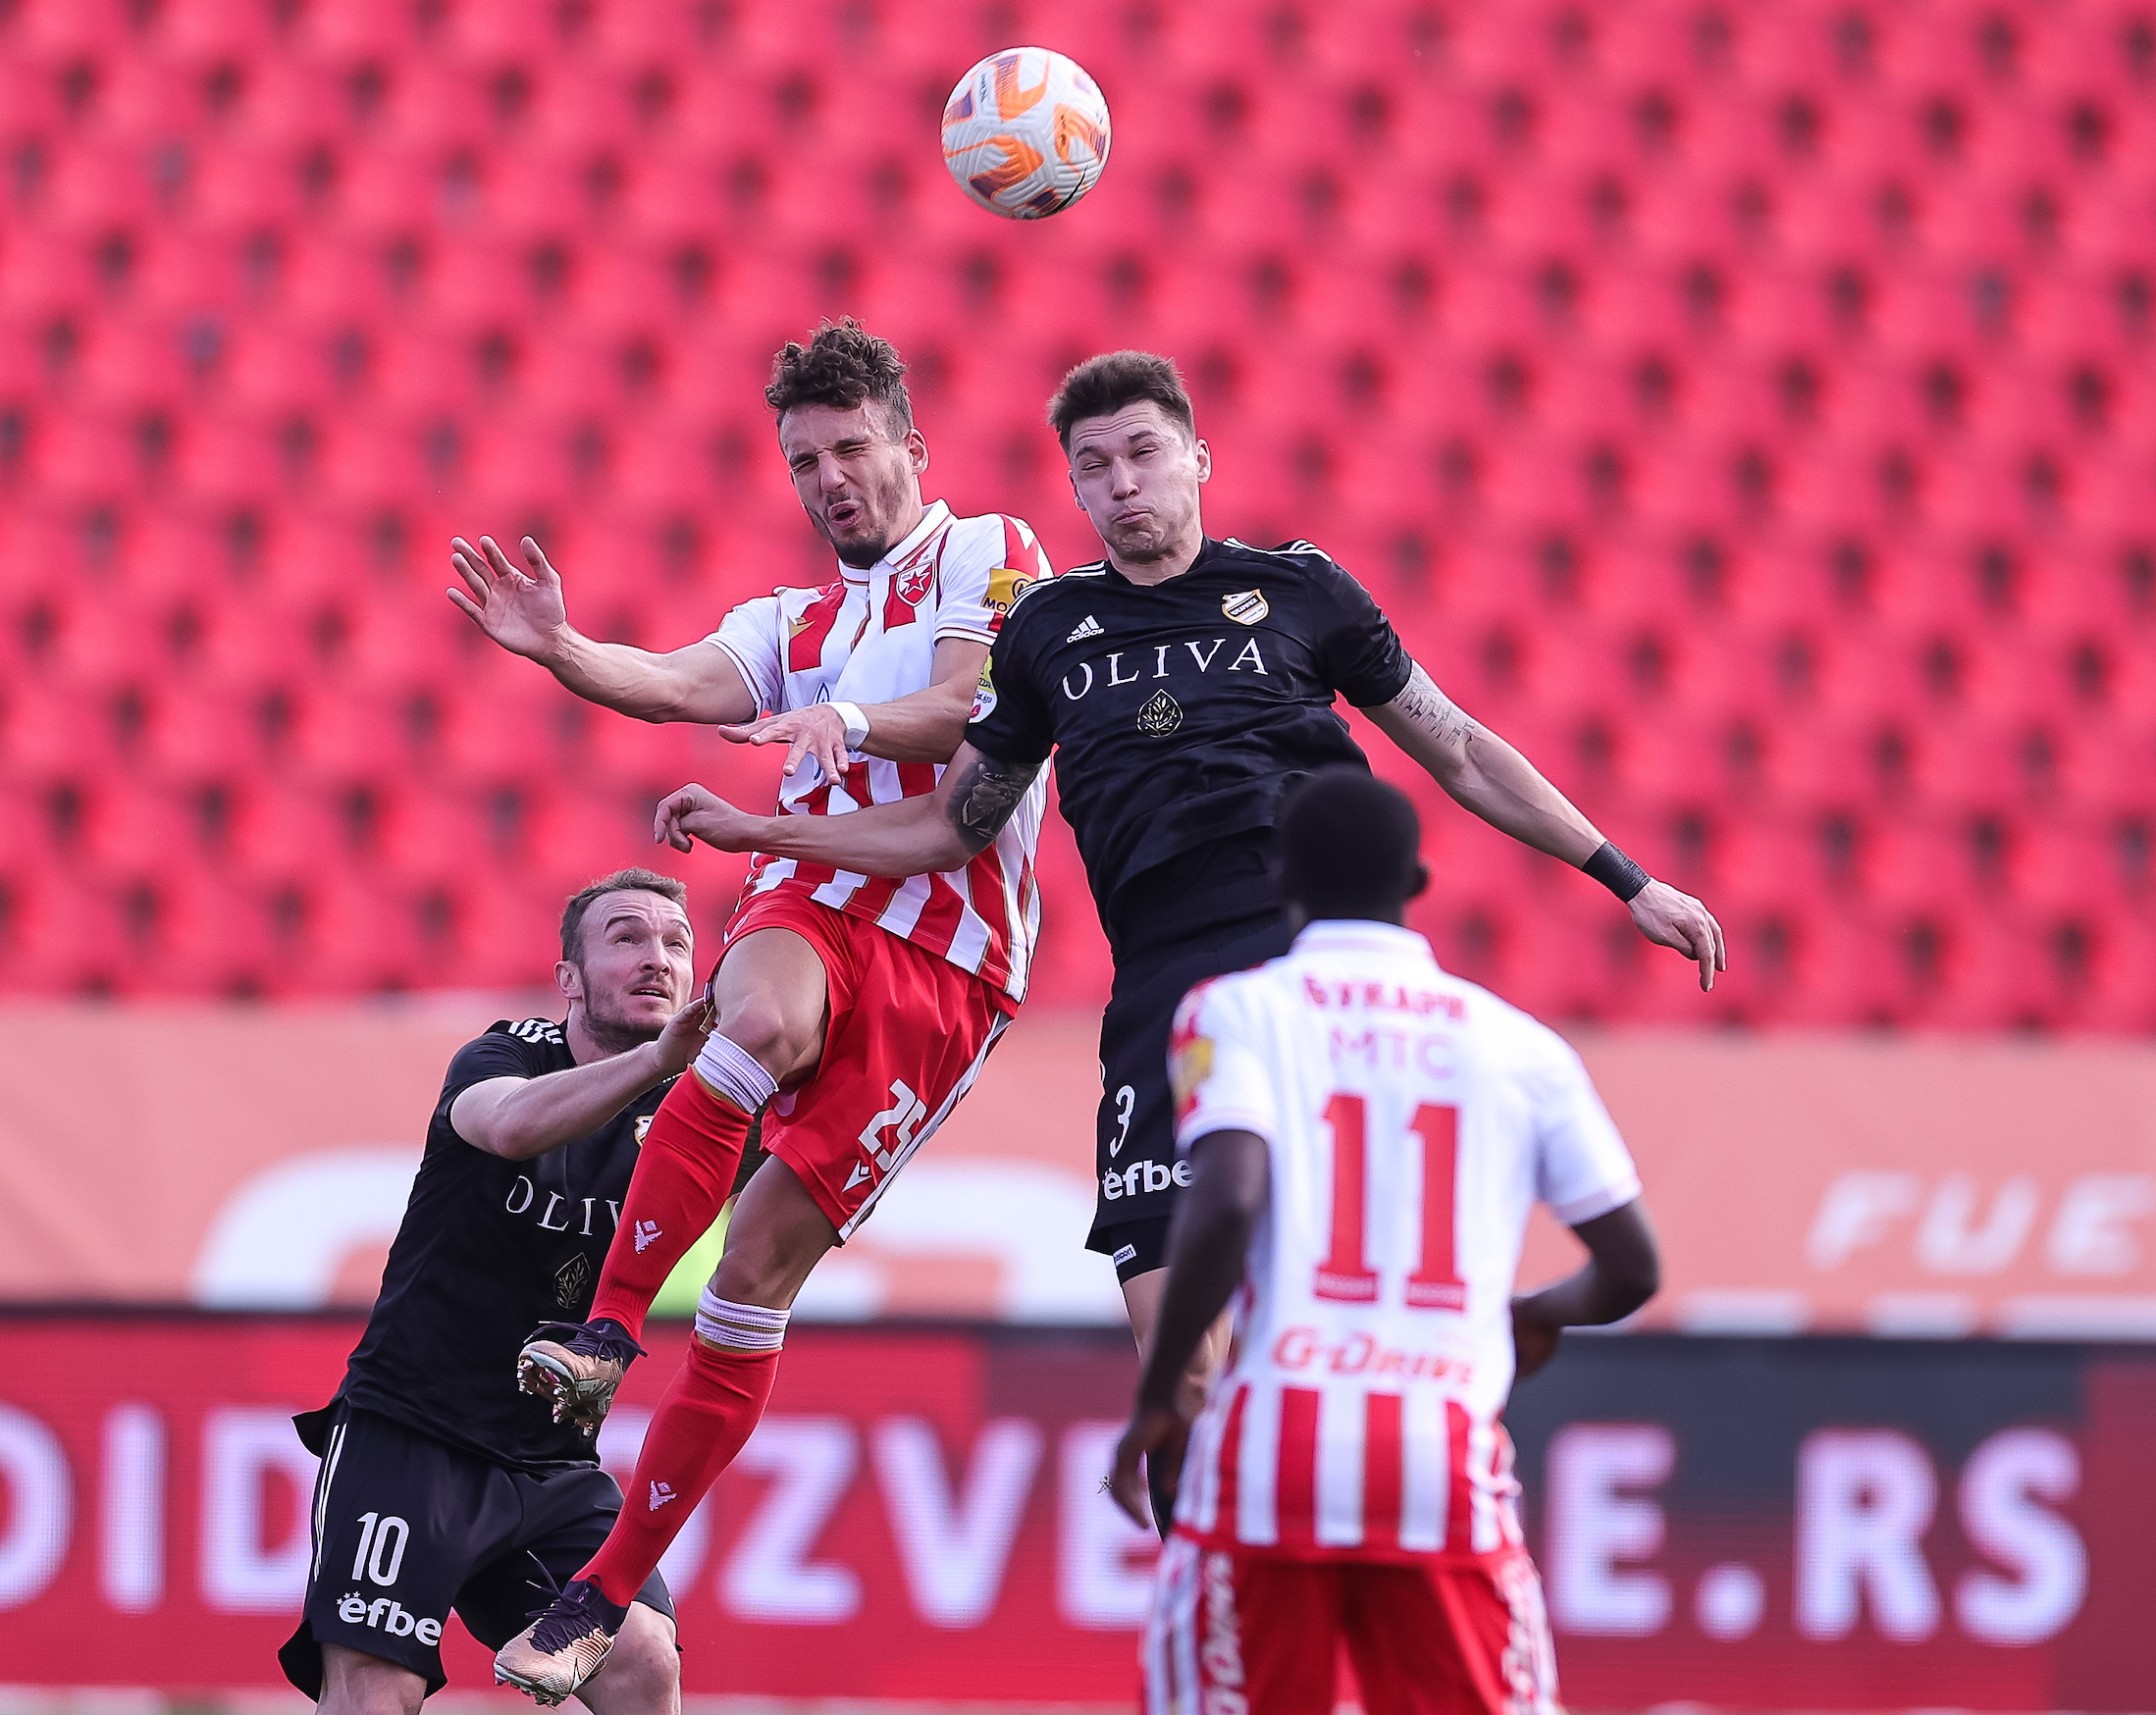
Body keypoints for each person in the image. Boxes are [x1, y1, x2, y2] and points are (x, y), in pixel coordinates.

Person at [651, 349, 1721, 1531]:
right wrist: (762, 824)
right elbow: (955, 826)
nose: (1121, 484)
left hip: (1312, 970)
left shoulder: (1303, 589)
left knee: (1342, 1333)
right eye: (1092, 467)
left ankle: (1405, 1547)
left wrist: (1624, 876)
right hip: (1164, 1000)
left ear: (1199, 458)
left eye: (1143, 453)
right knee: (1180, 1362)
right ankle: (1219, 1627)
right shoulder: (1048, 629)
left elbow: (1458, 746)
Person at [448, 320, 1053, 1699]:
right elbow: (670, 686)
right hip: (811, 902)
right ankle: (603, 1335)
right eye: (806, 461)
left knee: (754, 1276)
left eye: (852, 449)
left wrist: (844, 724)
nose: (832, 478)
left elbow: (969, 708)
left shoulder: (992, 551)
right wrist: (561, 649)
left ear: (910, 446)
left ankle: (601, 1596)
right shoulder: (791, 625)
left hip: (949, 970)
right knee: (753, 1021)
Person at [1106, 770, 1662, 1714]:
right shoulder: (1521, 1048)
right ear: (1418, 883)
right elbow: (1631, 1268)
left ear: (1282, 876)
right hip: (1438, 1451)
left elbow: (1229, 1198)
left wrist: (1160, 1397)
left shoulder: (1231, 1011)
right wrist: (1532, 1313)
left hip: (1274, 1447)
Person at [281, 869, 709, 1715]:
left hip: (551, 1462)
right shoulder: (502, 1054)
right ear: (570, 981)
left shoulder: (698, 1109)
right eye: (624, 937)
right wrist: (661, 1060)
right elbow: (509, 1125)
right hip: (411, 1436)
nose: (655, 958)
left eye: (675, 943)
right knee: (375, 1693)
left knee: (644, 1663)